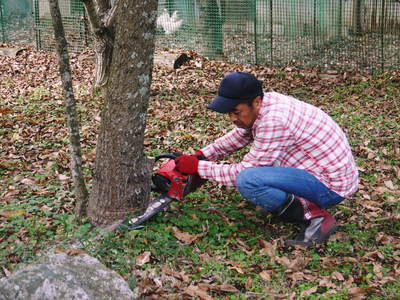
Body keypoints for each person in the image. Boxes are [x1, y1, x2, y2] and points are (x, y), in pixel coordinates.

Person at [174, 72, 359, 247]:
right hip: (319, 172)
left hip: (330, 186)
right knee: (255, 177)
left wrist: (199, 167)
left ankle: (317, 217)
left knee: (248, 181)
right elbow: (241, 134)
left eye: (236, 112)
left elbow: (242, 172)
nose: (232, 118)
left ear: (255, 102)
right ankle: (289, 203)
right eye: (228, 112)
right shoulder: (266, 102)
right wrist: (204, 154)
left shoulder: (274, 121)